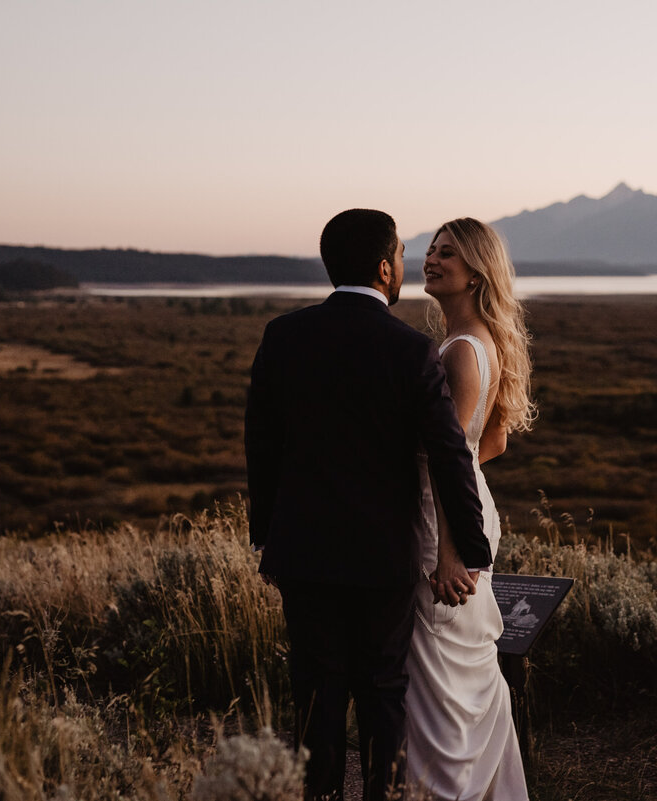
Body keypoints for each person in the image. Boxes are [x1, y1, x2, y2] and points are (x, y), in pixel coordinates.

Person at [244, 209, 492, 801]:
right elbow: (451, 455)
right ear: (385, 268)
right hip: (384, 559)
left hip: (303, 554)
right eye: (405, 253)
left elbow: (261, 442)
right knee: (384, 693)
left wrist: (267, 535)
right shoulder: (411, 352)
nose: (409, 263)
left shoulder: (283, 335)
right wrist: (473, 546)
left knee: (315, 695)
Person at [405, 217, 537, 800]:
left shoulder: (459, 353)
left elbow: (449, 458)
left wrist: (449, 555)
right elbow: (492, 445)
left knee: (437, 678)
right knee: (465, 670)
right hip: (467, 507)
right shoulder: (488, 342)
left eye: (448, 255)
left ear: (476, 272)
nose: (431, 260)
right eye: (431, 250)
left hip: (445, 527)